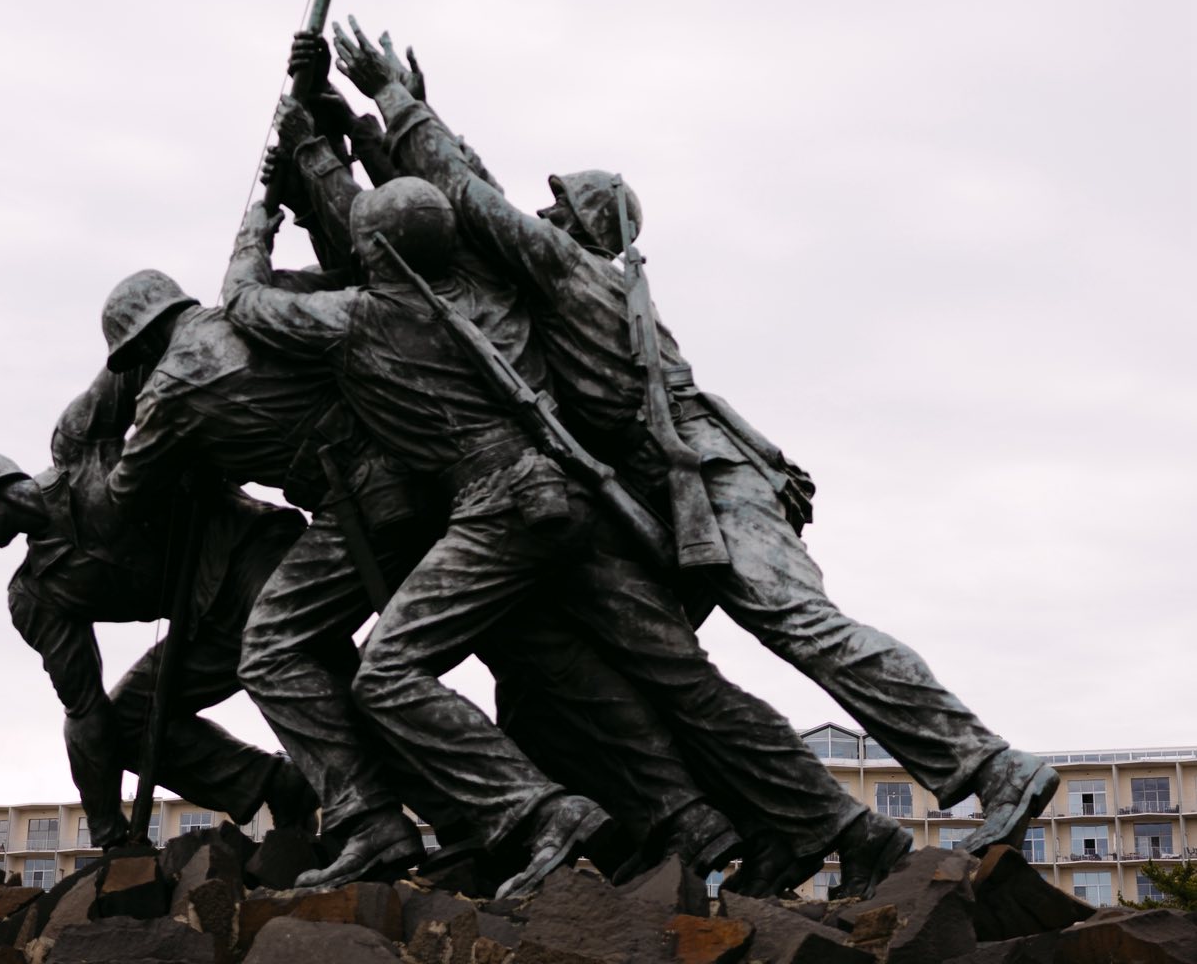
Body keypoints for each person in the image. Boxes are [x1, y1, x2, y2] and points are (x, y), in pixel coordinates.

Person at [330, 19, 1059, 858]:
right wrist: (402, 119)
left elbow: (473, 202)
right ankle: (788, 828)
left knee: (802, 625)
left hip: (711, 476)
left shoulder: (575, 275)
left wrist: (393, 101)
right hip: (676, 491)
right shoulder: (575, 275)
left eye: (555, 206)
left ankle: (988, 765)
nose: (538, 212)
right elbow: (480, 201)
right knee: (658, 672)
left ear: (581, 225)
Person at [222, 179, 899, 900]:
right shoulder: (495, 290)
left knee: (386, 674)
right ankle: (836, 827)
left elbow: (244, 302)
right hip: (576, 503)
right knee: (681, 682)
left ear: (373, 249)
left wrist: (257, 228)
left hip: (497, 510)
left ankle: (547, 815)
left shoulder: (355, 318)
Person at [0, 365, 311, 848]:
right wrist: (110, 832)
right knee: (127, 723)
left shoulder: (81, 444)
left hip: (250, 552)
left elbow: (148, 360)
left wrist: (189, 432)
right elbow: (85, 710)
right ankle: (278, 783)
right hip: (204, 621)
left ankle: (362, 795)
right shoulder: (36, 595)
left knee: (282, 649)